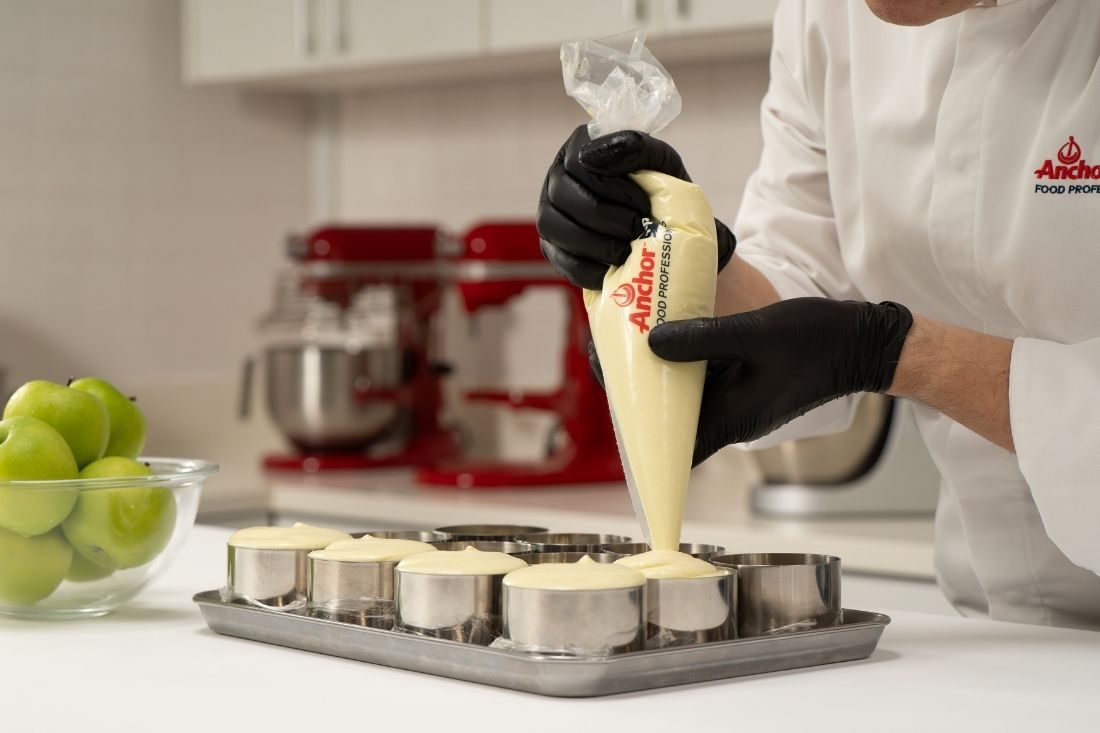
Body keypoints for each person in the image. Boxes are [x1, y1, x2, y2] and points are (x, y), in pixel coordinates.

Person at [536, 0, 1100, 630]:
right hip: (986, 616)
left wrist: (905, 356)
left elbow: (851, 338)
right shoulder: (828, 14)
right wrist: (681, 255)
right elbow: (800, 283)